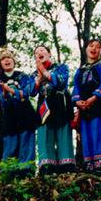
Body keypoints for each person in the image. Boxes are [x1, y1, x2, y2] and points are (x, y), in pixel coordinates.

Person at [72, 39, 101, 175]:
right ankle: (90, 167)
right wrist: (77, 101)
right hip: (84, 108)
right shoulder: (80, 70)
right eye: (91, 46)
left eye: (98, 47)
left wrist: (94, 97)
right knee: (87, 136)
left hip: (100, 105)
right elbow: (76, 87)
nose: (94, 49)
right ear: (86, 49)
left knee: (100, 133)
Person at [30, 46, 75, 175]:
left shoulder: (61, 67)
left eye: (42, 50)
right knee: (44, 134)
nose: (39, 53)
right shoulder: (33, 74)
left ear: (49, 54)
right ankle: (47, 167)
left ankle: (66, 167)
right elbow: (31, 92)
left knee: (63, 133)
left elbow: (62, 82)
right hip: (44, 106)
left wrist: (45, 72)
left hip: (60, 104)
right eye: (36, 52)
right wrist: (39, 78)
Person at [0, 48, 37, 177]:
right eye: (3, 59)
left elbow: (27, 92)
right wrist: (5, 92)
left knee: (26, 143)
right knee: (10, 146)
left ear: (14, 61)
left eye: (9, 57)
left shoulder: (23, 76)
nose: (7, 60)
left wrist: (11, 91)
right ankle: (8, 174)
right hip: (9, 117)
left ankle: (27, 172)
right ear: (0, 64)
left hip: (25, 114)